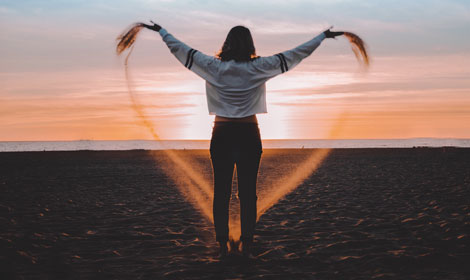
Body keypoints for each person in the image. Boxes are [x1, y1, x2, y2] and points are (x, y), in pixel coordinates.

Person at [143, 22, 343, 257]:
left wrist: (162, 31)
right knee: (248, 193)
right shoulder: (259, 67)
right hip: (249, 134)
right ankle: (247, 243)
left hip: (222, 134)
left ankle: (222, 245)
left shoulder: (212, 66)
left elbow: (183, 50)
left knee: (221, 192)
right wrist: (321, 36)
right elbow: (296, 54)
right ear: (250, 44)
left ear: (226, 43)